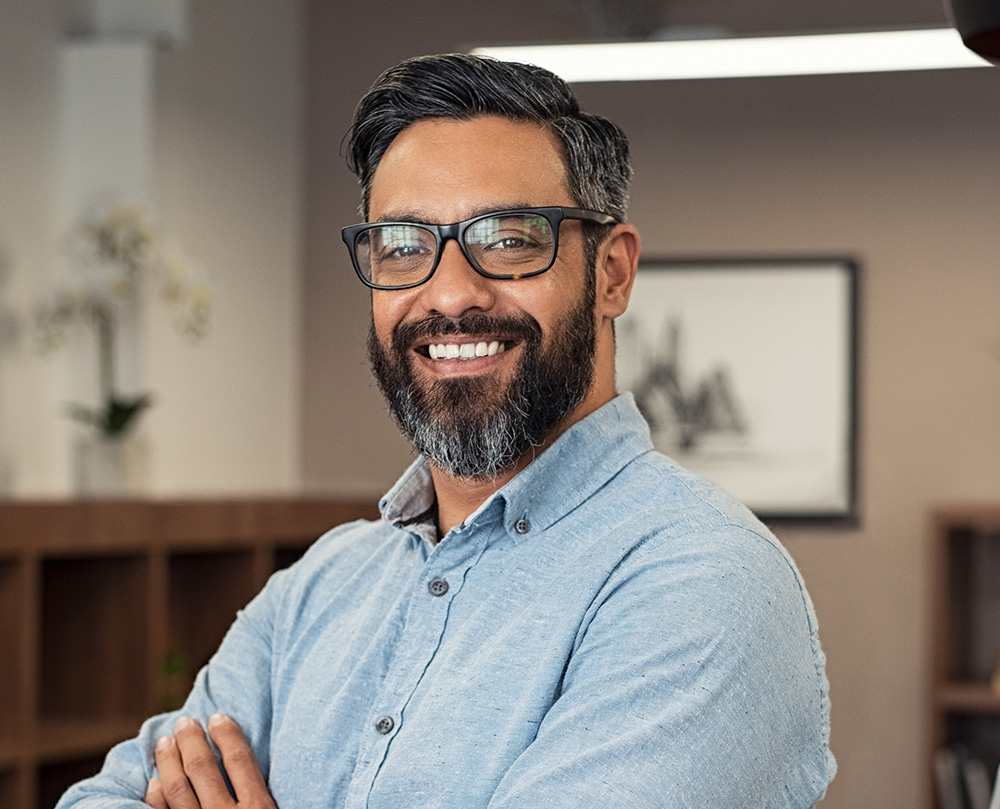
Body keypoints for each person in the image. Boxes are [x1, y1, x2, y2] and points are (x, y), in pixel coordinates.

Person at [57, 53, 835, 809]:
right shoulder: (320, 588)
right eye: (403, 245)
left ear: (612, 273)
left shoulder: (703, 579)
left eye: (508, 238)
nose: (450, 293)